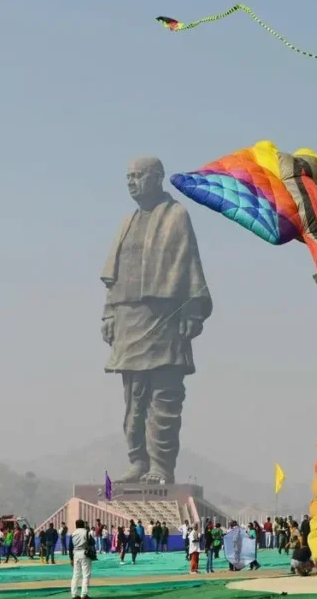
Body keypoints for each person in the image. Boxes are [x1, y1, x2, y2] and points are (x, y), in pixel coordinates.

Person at [102, 157, 212, 484]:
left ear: (157, 178)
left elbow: (188, 264)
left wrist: (192, 312)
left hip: (165, 318)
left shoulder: (176, 215)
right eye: (128, 177)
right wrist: (109, 314)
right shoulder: (127, 222)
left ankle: (161, 466)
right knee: (133, 397)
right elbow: (114, 276)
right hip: (127, 318)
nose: (131, 182)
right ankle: (137, 460)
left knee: (164, 396)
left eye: (138, 176)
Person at [69, 519, 94, 599]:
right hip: (84, 553)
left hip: (75, 553)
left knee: (76, 574)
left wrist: (71, 558)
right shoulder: (86, 532)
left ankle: (74, 594)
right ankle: (84, 594)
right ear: (83, 525)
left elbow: (70, 547)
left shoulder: (73, 534)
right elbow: (93, 542)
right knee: (86, 574)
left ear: (76, 525)